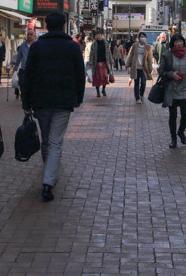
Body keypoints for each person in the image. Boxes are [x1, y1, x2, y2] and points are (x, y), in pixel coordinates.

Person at [20, 12, 85, 201]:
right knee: (55, 142)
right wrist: (78, 97)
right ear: (64, 26)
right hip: (64, 101)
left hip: (41, 101)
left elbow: (28, 76)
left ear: (47, 26)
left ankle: (48, 173)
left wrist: (26, 102)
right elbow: (79, 74)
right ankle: (48, 183)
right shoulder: (72, 47)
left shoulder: (38, 47)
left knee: (46, 139)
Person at [157, 34, 186, 147]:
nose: (178, 43)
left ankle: (181, 132)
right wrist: (171, 74)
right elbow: (161, 71)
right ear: (172, 43)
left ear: (184, 42)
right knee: (172, 115)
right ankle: (173, 138)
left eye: (180, 41)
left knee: (185, 114)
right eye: (176, 42)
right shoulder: (167, 55)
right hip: (172, 89)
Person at [126, 32, 154, 103]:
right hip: (136, 67)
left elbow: (150, 58)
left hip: (144, 68)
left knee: (144, 83)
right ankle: (137, 98)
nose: (143, 38)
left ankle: (141, 95)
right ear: (139, 38)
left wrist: (150, 67)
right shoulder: (134, 45)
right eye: (141, 36)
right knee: (136, 83)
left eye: (144, 37)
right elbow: (131, 55)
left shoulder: (148, 47)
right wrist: (127, 64)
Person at [10, 29, 37, 100]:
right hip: (24, 68)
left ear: (34, 36)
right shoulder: (22, 46)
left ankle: (30, 97)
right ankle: (24, 95)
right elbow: (19, 57)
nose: (29, 36)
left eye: (31, 34)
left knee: (32, 84)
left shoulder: (36, 45)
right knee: (22, 83)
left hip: (34, 69)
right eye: (28, 34)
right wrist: (16, 66)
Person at [87, 29, 111, 97]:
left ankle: (103, 89)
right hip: (96, 63)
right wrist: (91, 63)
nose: (98, 36)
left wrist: (110, 61)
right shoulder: (94, 44)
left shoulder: (105, 43)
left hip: (104, 62)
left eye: (99, 35)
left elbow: (109, 53)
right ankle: (98, 92)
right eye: (97, 35)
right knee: (96, 78)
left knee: (105, 77)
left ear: (101, 36)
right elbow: (91, 54)